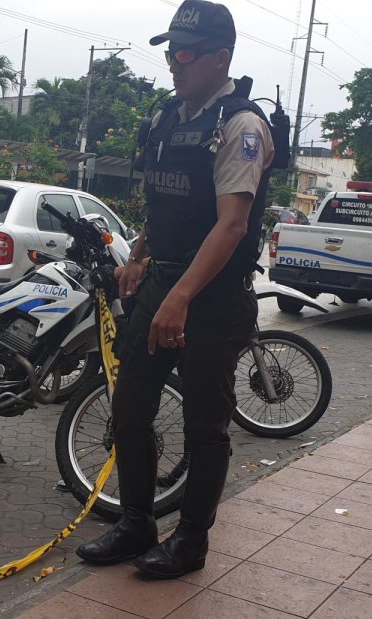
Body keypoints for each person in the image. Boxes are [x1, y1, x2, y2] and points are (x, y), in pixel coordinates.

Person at [75, 0, 276, 580]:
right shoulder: (167, 117)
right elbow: (167, 208)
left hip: (210, 295)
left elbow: (231, 224)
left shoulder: (239, 125)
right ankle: (136, 521)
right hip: (162, 282)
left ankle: (190, 542)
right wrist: (139, 256)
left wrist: (182, 297)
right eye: (169, 51)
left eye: (186, 53)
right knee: (130, 405)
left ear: (221, 57)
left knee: (204, 422)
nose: (174, 63)